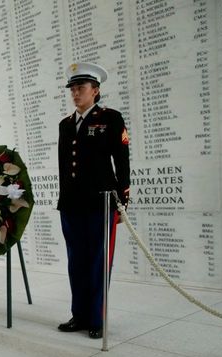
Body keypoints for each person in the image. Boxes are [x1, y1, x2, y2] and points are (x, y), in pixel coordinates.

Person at [56, 62, 130, 339]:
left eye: (81, 88)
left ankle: (97, 319)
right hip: (72, 205)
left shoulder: (110, 118)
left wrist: (123, 202)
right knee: (76, 261)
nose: (75, 93)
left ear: (95, 91)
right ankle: (79, 314)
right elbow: (65, 167)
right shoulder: (65, 125)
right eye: (72, 89)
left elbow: (122, 163)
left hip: (102, 203)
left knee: (99, 262)